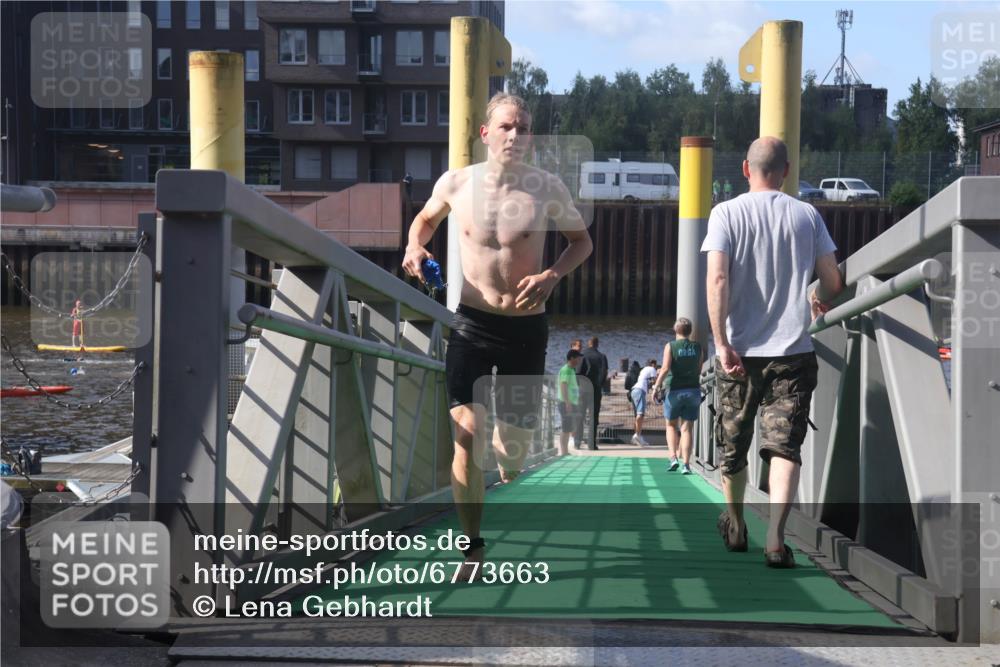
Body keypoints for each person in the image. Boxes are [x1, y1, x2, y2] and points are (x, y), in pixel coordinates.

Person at [401, 92, 592, 579]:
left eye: (524, 128)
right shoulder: (457, 183)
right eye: (507, 126)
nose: (516, 135)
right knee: (465, 436)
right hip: (471, 322)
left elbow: (581, 242)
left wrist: (551, 276)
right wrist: (413, 247)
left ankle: (509, 465)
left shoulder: (546, 188)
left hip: (527, 327)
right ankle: (472, 547)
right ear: (486, 133)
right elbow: (423, 222)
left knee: (512, 451)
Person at [702, 136, 844, 568]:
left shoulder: (725, 212)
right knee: (784, 447)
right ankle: (776, 540)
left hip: (739, 353)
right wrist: (817, 294)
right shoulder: (807, 215)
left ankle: (737, 523)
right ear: (786, 170)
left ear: (746, 170)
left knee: (733, 444)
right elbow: (833, 283)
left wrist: (722, 343)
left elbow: (719, 280)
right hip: (792, 352)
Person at [651, 318, 703, 475]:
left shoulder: (671, 346)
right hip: (693, 390)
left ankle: (673, 457)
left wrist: (656, 386)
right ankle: (686, 464)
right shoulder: (698, 347)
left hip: (674, 390)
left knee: (671, 425)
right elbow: (699, 369)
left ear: (675, 330)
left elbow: (666, 368)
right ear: (690, 330)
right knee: (687, 428)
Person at [578, 336, 608, 451]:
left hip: (583, 389)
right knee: (594, 417)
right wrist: (599, 385)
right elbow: (604, 373)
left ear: (588, 344)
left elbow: (578, 373)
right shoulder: (602, 357)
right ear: (597, 344)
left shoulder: (582, 356)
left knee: (580, 415)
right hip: (595, 390)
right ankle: (592, 444)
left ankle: (578, 442)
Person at [557, 349, 583, 456]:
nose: (579, 360)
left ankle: (565, 450)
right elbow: (563, 385)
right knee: (565, 427)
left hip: (571, 402)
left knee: (568, 427)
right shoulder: (566, 370)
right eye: (577, 357)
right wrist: (567, 402)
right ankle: (563, 451)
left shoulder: (572, 370)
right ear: (572, 358)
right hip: (565, 403)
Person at [629, 359, 658, 446]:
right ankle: (637, 435)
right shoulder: (652, 369)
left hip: (634, 390)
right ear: (652, 364)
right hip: (639, 391)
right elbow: (655, 381)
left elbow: (649, 382)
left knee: (637, 415)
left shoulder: (643, 370)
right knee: (640, 414)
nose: (656, 367)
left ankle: (638, 436)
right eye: (655, 365)